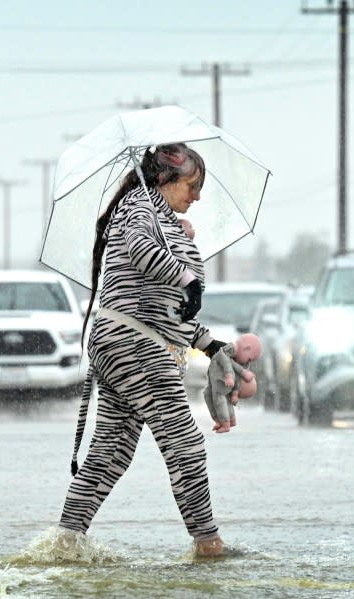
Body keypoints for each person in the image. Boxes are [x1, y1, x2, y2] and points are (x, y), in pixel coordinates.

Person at [58, 143, 229, 558]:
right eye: (193, 184)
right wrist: (187, 276)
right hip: (135, 344)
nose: (199, 195)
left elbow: (164, 306)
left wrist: (210, 344)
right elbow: (139, 246)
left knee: (110, 453)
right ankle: (208, 544)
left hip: (130, 341)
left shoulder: (161, 216)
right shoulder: (141, 206)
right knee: (184, 441)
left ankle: (63, 543)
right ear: (165, 178)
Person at [203, 333, 262, 433]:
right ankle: (225, 420)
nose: (248, 363)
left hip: (221, 381)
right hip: (218, 378)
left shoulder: (236, 360)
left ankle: (225, 423)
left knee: (219, 398)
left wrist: (234, 389)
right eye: (249, 359)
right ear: (246, 348)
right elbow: (224, 358)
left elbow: (233, 370)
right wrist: (233, 377)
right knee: (209, 394)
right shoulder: (231, 349)